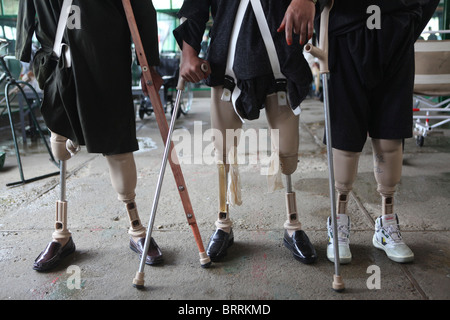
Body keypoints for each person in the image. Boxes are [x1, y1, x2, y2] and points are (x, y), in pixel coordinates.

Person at [15, 0, 164, 271]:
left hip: (105, 65)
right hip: (59, 65)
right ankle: (61, 235)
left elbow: (142, 8)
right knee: (60, 145)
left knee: (118, 150)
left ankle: (136, 229)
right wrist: (24, 49)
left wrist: (149, 63)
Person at [174, 0, 319, 264]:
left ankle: (293, 223)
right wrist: (188, 53)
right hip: (228, 57)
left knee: (287, 153)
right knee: (223, 150)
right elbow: (195, 6)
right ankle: (223, 222)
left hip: (281, 57)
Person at [323, 0, 440, 264]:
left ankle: (386, 224)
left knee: (390, 136)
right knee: (345, 139)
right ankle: (338, 223)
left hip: (396, 32)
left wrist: (409, 20)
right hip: (346, 31)